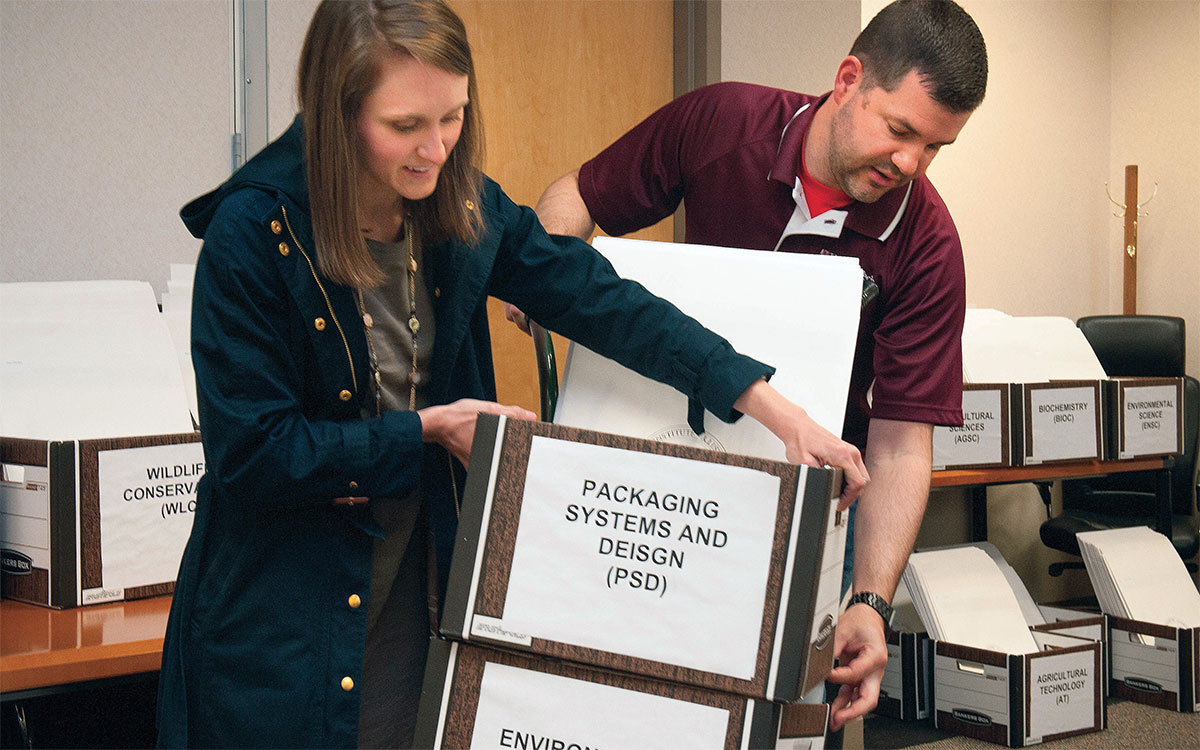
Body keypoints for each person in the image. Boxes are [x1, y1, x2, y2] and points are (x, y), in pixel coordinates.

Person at [155, 1, 868, 747]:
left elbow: (602, 302)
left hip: (413, 590)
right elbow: (254, 456)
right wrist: (432, 430)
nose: (435, 149)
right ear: (339, 112)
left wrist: (768, 404)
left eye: (453, 117)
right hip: (281, 617)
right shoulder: (253, 234)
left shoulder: (460, 206)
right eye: (405, 126)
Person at [523, 0, 987, 731]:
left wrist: (869, 600)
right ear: (847, 80)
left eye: (935, 149)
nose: (911, 165)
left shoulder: (927, 244)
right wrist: (544, 267)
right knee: (634, 704)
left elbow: (899, 443)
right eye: (900, 131)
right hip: (663, 478)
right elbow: (579, 196)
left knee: (783, 722)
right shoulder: (722, 124)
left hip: (807, 509)